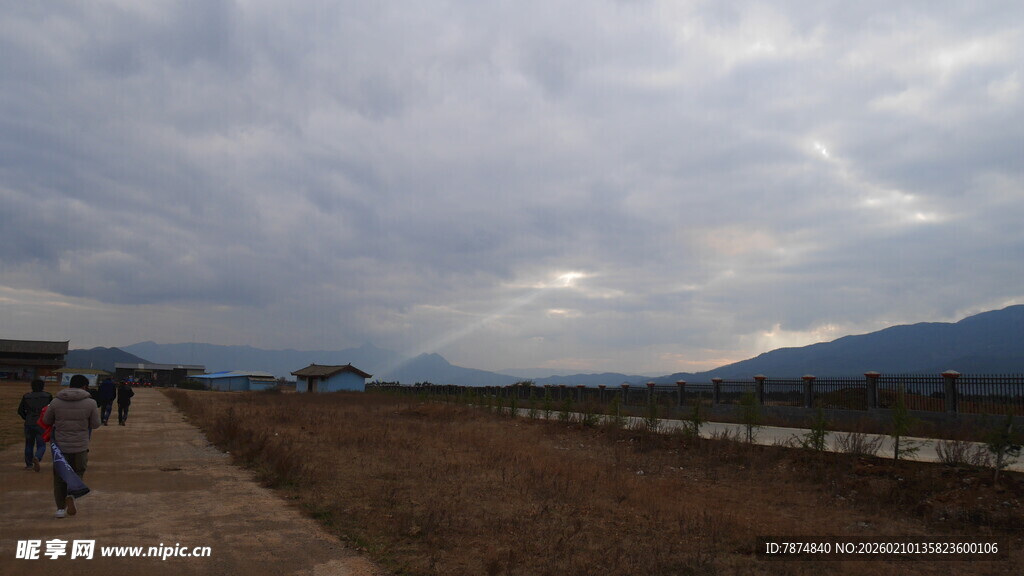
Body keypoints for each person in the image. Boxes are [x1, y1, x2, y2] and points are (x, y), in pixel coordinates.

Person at [42, 374, 100, 518]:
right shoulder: (91, 403)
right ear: (85, 386)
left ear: (69, 384)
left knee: (59, 476)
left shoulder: (55, 402)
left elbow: (46, 420)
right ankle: (72, 495)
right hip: (80, 445)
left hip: (61, 446)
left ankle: (60, 509)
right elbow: (95, 424)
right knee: (78, 471)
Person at [17, 379, 53, 471]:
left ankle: (29, 464)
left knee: (29, 444)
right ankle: (37, 457)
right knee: (41, 445)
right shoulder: (48, 396)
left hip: (29, 422)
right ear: (43, 386)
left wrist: (26, 417)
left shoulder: (26, 396)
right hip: (42, 423)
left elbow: (20, 411)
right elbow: (52, 410)